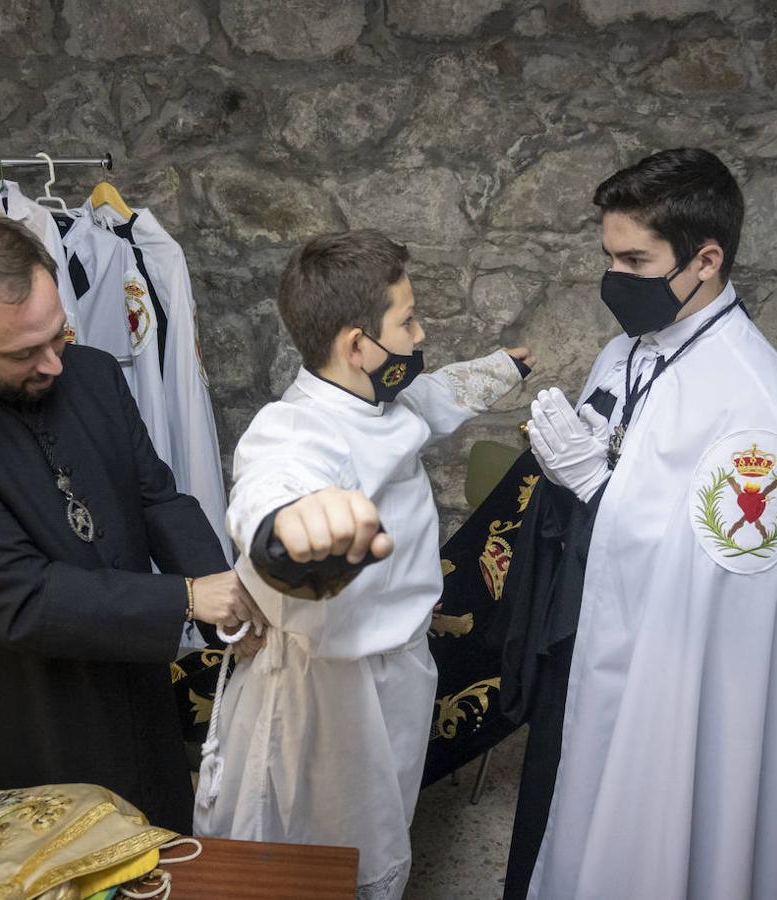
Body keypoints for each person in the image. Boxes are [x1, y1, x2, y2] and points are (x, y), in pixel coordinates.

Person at [0, 215, 262, 833]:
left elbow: (158, 498)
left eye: (58, 336)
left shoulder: (96, 374)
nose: (54, 364)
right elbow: (21, 597)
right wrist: (187, 599)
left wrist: (225, 594)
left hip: (134, 670)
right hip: (36, 707)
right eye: (23, 353)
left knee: (161, 833)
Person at [192, 229, 534, 899]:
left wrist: (500, 368)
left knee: (384, 824)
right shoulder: (297, 430)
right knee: (330, 855)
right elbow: (272, 486)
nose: (421, 331)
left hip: (396, 668)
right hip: (333, 694)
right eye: (407, 319)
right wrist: (289, 525)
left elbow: (432, 401)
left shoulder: (382, 399)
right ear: (357, 345)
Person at [516, 147, 777, 899]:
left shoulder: (753, 401)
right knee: (554, 800)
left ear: (705, 259)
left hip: (666, 672)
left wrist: (599, 488)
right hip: (583, 626)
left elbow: (730, 573)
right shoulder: (629, 349)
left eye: (634, 259)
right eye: (609, 256)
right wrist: (575, 467)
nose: (615, 278)